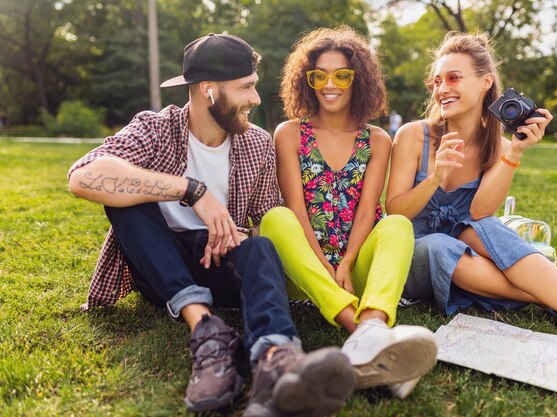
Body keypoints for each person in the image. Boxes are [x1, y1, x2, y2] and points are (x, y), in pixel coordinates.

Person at [67, 33, 357, 417]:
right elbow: (83, 177)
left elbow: (271, 217)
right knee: (126, 201)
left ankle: (276, 360)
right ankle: (207, 333)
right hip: (158, 266)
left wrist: (242, 235)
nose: (256, 98)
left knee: (261, 246)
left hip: (219, 262)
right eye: (246, 87)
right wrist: (191, 191)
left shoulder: (256, 143)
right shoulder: (156, 129)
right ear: (208, 90)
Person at [385, 31, 557, 368]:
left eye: (453, 78)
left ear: (485, 82)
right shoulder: (415, 135)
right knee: (441, 243)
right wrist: (436, 178)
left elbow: (481, 212)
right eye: (437, 81)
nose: (442, 89)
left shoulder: (496, 145)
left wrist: (515, 152)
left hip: (468, 257)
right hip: (414, 253)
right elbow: (395, 212)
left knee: (477, 227)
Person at [260, 26, 438, 400]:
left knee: (397, 224)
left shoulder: (377, 140)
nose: (330, 84)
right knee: (276, 220)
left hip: (353, 271)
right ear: (306, 81)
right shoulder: (289, 133)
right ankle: (360, 332)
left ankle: (373, 322)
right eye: (319, 75)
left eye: (341, 75)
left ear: (358, 80)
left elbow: (365, 212)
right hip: (304, 271)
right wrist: (325, 265)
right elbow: (296, 209)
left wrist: (346, 262)